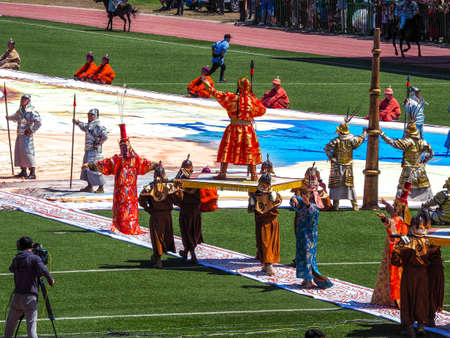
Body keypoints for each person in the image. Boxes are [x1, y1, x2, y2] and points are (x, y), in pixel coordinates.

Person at [83, 123, 156, 235]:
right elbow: (105, 164)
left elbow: (146, 164)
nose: (124, 149)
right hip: (120, 191)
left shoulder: (136, 160)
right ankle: (121, 227)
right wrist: (90, 165)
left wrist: (155, 165)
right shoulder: (117, 160)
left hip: (131, 192)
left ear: (129, 146)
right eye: (122, 147)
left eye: (126, 146)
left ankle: (131, 228)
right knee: (121, 209)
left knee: (130, 209)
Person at [204, 76, 267, 181]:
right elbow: (262, 110)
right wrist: (251, 112)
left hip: (233, 127)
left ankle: (222, 173)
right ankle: (253, 174)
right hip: (247, 129)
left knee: (227, 149)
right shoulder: (253, 100)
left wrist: (209, 87)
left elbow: (218, 95)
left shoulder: (231, 98)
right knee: (249, 150)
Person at [391, 215, 438, 337]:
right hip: (417, 275)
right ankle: (415, 326)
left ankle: (415, 327)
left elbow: (395, 260)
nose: (422, 229)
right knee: (415, 299)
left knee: (415, 300)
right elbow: (396, 261)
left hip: (416, 275)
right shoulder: (424, 241)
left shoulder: (417, 241)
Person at [3, 236, 55, 338]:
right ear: (31, 245)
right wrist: (50, 280)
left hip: (17, 297)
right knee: (31, 329)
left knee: (9, 327)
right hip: (30, 297)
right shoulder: (35, 258)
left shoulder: (17, 258)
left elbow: (11, 269)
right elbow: (44, 270)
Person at [371, 182, 411, 308]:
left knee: (394, 275)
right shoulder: (404, 218)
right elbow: (393, 213)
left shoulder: (398, 220)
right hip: (403, 251)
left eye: (396, 205)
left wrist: (384, 219)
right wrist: (385, 204)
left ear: (401, 208)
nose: (394, 207)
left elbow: (391, 225)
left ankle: (394, 298)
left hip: (394, 251)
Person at [291, 185, 332, 289]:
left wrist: (308, 204)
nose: (304, 196)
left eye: (306, 194)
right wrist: (294, 199)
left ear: (311, 196)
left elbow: (312, 214)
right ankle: (305, 279)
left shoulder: (314, 207)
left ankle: (309, 280)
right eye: (303, 194)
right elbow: (294, 201)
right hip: (301, 234)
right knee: (301, 256)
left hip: (309, 236)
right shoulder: (301, 203)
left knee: (308, 257)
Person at [380, 122, 433, 201]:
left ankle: (403, 200)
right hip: (419, 168)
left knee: (404, 185)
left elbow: (394, 143)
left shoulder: (408, 142)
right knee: (422, 184)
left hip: (409, 168)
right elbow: (431, 153)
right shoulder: (423, 142)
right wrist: (424, 161)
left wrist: (383, 135)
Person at [139, 162, 178, 268]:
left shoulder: (149, 187)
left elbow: (141, 200)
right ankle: (157, 257)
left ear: (155, 175)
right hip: (167, 216)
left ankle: (158, 260)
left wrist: (148, 209)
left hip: (155, 215)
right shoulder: (170, 186)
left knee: (156, 236)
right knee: (165, 235)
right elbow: (177, 198)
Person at [324, 117, 367, 211]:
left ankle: (340, 205)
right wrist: (364, 132)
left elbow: (326, 148)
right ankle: (351, 205)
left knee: (344, 185)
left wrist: (331, 158)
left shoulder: (337, 141)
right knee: (345, 185)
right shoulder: (350, 140)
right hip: (344, 165)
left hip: (340, 165)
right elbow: (361, 139)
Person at [248, 172, 282, 276]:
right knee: (266, 243)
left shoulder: (258, 194)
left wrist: (251, 198)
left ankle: (269, 266)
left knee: (267, 243)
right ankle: (265, 264)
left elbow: (251, 208)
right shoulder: (271, 194)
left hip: (267, 222)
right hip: (266, 222)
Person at [173, 155, 203, 264]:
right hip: (189, 209)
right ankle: (186, 252)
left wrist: (181, 188)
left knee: (189, 231)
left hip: (191, 209)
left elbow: (192, 191)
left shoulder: (193, 177)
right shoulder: (186, 176)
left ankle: (192, 255)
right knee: (187, 231)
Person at [6, 94, 41, 179]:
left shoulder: (32, 111)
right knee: (20, 152)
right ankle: (23, 171)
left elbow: (38, 122)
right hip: (20, 134)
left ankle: (32, 172)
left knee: (28, 152)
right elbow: (15, 117)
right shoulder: (20, 110)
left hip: (27, 135)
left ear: (28, 101)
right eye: (22, 99)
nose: (22, 101)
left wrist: (31, 130)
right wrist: (9, 117)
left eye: (24, 99)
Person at [73, 108, 108, 193]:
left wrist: (99, 142)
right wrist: (77, 122)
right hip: (88, 150)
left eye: (91, 115)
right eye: (88, 114)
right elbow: (84, 127)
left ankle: (101, 187)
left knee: (96, 168)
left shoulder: (98, 126)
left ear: (95, 116)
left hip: (95, 151)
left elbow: (105, 136)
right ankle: (90, 186)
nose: (89, 116)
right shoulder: (89, 125)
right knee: (87, 168)